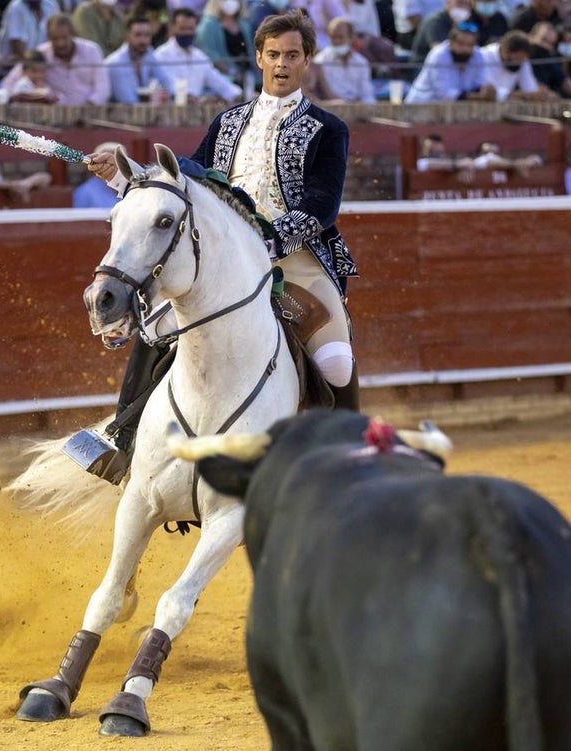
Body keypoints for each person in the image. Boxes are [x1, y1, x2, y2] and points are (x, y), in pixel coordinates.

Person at [86, 10, 360, 466]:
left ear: (307, 59)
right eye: (274, 54)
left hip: (297, 259)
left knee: (335, 361)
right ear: (259, 57)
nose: (282, 64)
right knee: (158, 323)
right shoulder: (228, 122)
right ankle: (123, 441)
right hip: (225, 257)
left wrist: (268, 242)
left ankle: (348, 457)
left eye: (292, 55)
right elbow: (188, 176)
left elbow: (322, 204)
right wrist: (122, 174)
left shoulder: (328, 128)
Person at [0, 13, 111, 105]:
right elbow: (9, 83)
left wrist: (85, 109)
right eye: (55, 39)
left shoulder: (92, 51)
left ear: (73, 34)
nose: (60, 43)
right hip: (51, 116)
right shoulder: (42, 53)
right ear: (48, 37)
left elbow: (102, 89)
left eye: (64, 38)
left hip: (90, 113)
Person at [154, 7, 243, 102]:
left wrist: (239, 95)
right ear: (172, 28)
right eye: (183, 28)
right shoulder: (161, 55)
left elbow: (219, 82)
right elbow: (170, 83)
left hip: (197, 108)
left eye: (190, 28)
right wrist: (195, 98)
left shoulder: (199, 56)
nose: (187, 32)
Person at [404, 21, 494, 102]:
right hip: (421, 104)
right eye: (461, 43)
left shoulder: (477, 54)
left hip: (452, 109)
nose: (465, 49)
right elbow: (444, 94)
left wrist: (486, 91)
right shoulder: (439, 55)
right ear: (451, 42)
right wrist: (478, 96)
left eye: (470, 45)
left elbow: (479, 83)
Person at [106, 13, 175, 103]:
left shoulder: (149, 53)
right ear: (128, 36)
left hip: (144, 108)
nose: (143, 40)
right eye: (138, 35)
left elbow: (166, 83)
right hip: (122, 110)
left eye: (147, 35)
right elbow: (127, 100)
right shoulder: (115, 63)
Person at [311, 16, 375, 103]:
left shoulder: (361, 62)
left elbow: (367, 95)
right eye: (333, 37)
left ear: (351, 37)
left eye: (340, 37)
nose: (337, 41)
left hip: (357, 107)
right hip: (330, 107)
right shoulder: (319, 61)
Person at [195, 0, 255, 91]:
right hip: (225, 79)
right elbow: (210, 55)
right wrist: (234, 73)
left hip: (249, 77)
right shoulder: (208, 26)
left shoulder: (244, 24)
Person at [480, 29, 543, 100]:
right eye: (515, 59)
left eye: (520, 59)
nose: (517, 62)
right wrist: (510, 95)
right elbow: (486, 91)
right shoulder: (483, 56)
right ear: (505, 51)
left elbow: (530, 90)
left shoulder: (522, 61)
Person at [529, 21, 571, 97]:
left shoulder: (549, 59)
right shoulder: (525, 58)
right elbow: (535, 86)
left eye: (551, 44)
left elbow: (565, 82)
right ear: (532, 37)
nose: (546, 46)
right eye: (543, 40)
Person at [73, 141, 121, 208]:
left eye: (119, 161)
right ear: (96, 163)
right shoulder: (85, 192)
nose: (113, 166)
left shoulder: (133, 187)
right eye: (106, 161)